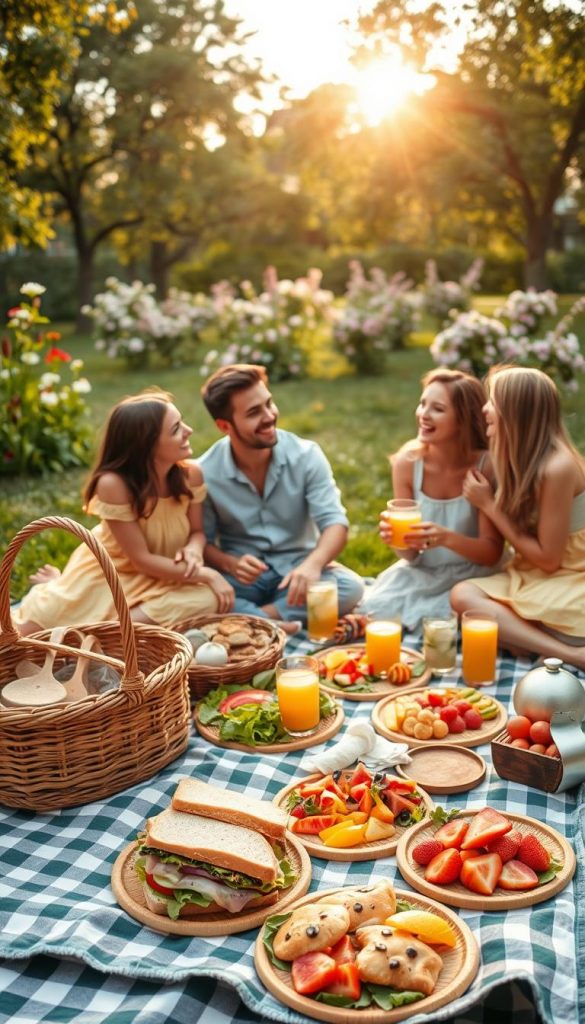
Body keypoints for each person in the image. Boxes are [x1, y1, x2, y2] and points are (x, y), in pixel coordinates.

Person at [14, 390, 234, 636]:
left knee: (211, 597)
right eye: (175, 429)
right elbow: (141, 559)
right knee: (29, 632)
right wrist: (207, 574)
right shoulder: (113, 485)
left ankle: (107, 634)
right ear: (146, 446)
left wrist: (194, 549)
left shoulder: (191, 474)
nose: (189, 430)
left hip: (168, 573)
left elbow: (197, 532)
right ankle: (66, 598)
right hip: (112, 575)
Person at [198, 363, 364, 632]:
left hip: (296, 573)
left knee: (350, 588)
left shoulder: (307, 455)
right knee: (199, 598)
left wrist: (313, 565)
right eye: (254, 412)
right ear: (224, 425)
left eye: (269, 403)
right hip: (243, 580)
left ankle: (256, 621)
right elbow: (201, 543)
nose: (269, 416)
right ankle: (272, 620)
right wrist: (229, 563)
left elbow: (335, 524)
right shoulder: (205, 472)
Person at [452, 365, 585, 669]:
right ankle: (540, 641)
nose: (485, 409)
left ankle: (569, 653)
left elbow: (550, 560)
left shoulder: (558, 466)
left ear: (516, 412)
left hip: (571, 577)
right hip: (534, 575)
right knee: (463, 595)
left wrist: (489, 506)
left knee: (486, 620)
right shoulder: (515, 455)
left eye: (493, 402)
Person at [361, 368, 504, 632]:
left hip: (476, 577)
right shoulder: (408, 462)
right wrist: (397, 540)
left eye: (437, 408)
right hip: (424, 572)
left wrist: (445, 537)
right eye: (422, 403)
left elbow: (491, 553)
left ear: (463, 419)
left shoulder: (486, 466)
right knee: (376, 609)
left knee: (459, 624)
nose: (423, 414)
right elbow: (411, 555)